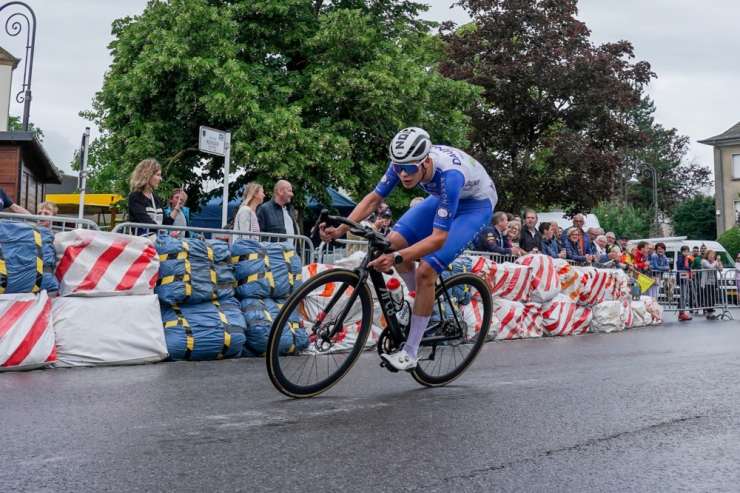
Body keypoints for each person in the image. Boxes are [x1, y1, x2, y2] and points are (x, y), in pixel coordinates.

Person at [320, 127, 497, 371]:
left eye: (410, 168)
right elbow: (373, 199)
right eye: (398, 167)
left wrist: (397, 258)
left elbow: (437, 239)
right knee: (388, 244)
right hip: (440, 198)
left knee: (425, 271)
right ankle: (414, 301)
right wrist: (340, 229)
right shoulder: (402, 164)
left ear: (425, 161)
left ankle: (411, 352)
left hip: (475, 206)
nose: (403, 174)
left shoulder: (450, 176)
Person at [127, 159, 182, 237]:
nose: (160, 179)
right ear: (147, 175)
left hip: (156, 242)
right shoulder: (135, 197)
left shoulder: (154, 196)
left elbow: (166, 222)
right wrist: (165, 233)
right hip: (141, 245)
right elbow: (148, 223)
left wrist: (178, 205)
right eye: (158, 175)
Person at [700, 250, 722, 320]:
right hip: (706, 282)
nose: (712, 256)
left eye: (713, 255)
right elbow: (710, 267)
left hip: (713, 282)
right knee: (708, 298)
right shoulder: (704, 261)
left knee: (712, 298)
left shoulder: (714, 262)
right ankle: (709, 313)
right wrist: (716, 262)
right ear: (707, 255)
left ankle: (710, 313)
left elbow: (721, 269)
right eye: (710, 254)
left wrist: (719, 261)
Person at [675, 245, 693, 321]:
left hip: (686, 279)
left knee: (684, 296)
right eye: (684, 251)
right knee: (683, 296)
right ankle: (681, 313)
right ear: (682, 252)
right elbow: (680, 268)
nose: (686, 253)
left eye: (687, 251)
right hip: (682, 279)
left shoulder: (686, 259)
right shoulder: (681, 258)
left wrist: (689, 277)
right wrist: (688, 268)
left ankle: (682, 312)